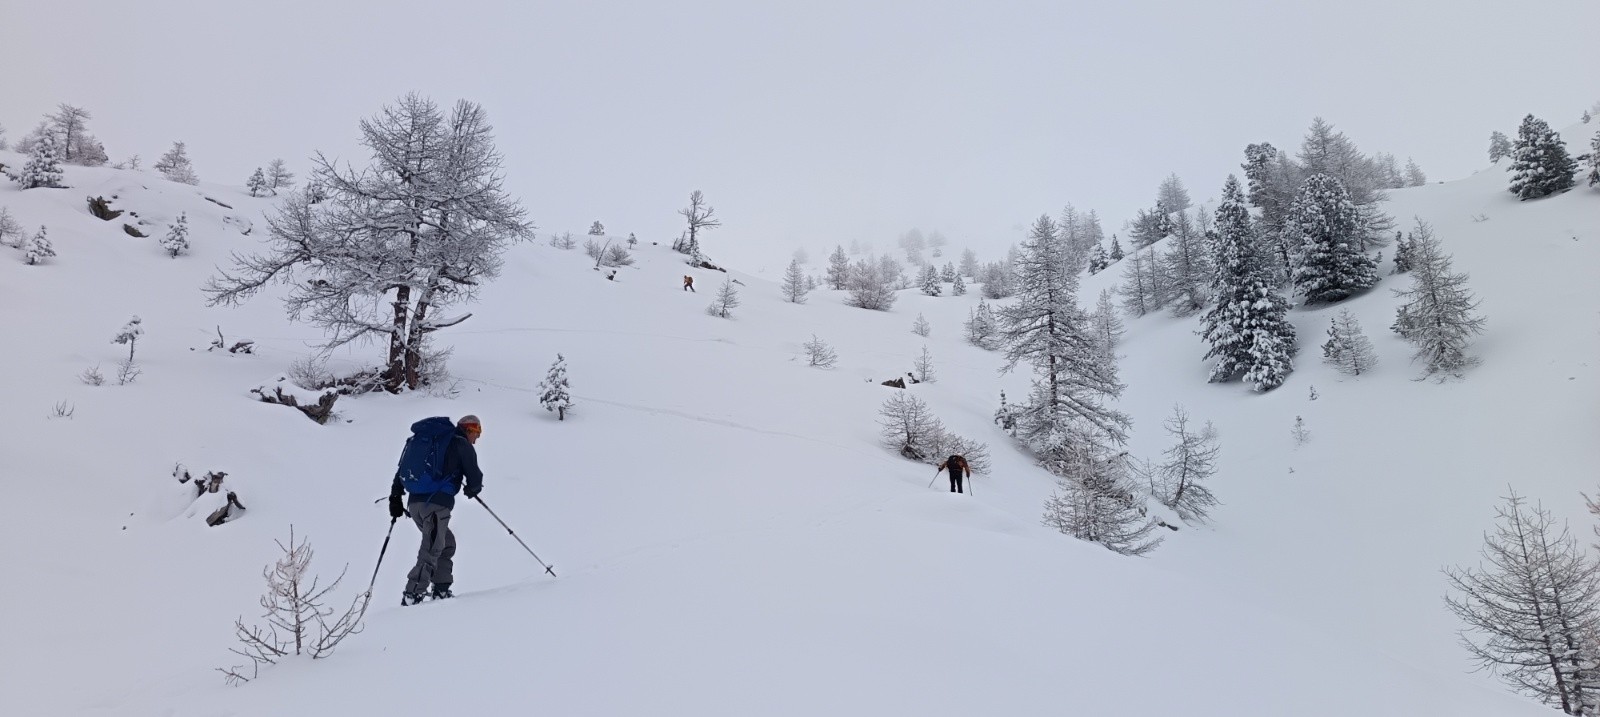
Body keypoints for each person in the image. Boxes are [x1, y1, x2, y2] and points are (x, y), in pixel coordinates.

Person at [390, 415, 484, 605]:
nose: (477, 438)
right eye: (477, 433)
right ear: (469, 430)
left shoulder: (429, 444)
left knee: (446, 543)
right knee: (432, 548)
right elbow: (474, 474)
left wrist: (395, 497)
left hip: (415, 504)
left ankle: (441, 588)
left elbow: (402, 470)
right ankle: (412, 594)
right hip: (436, 505)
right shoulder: (460, 443)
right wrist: (473, 488)